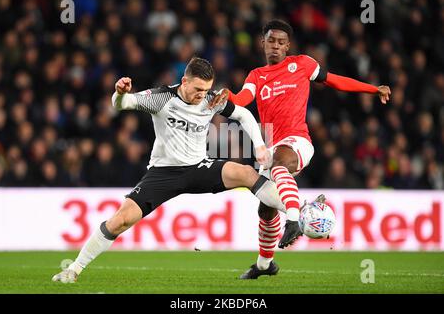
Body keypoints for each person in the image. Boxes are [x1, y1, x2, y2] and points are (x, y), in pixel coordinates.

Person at [52, 57, 289, 283]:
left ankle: (297, 211)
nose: (202, 95)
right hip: (164, 173)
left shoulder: (211, 100)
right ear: (184, 81)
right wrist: (120, 93)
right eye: (198, 89)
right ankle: (74, 269)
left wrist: (259, 146)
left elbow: (244, 114)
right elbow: (123, 104)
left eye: (206, 89)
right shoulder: (161, 98)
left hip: (198, 167)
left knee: (247, 174)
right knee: (119, 221)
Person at [210, 19, 391, 279]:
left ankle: (295, 219)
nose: (275, 46)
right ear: (263, 43)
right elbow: (242, 100)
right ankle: (264, 265)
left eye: (281, 42)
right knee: (265, 210)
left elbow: (334, 80)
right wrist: (227, 94)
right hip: (270, 146)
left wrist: (372, 89)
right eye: (271, 41)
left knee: (280, 162)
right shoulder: (256, 76)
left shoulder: (303, 64)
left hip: (297, 142)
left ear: (288, 46)